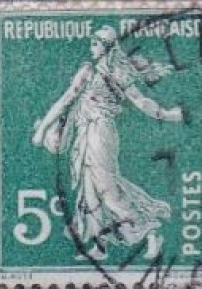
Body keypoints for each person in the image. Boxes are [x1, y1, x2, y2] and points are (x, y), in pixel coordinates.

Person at [31, 26, 183, 261]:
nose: (92, 47)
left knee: (107, 189)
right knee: (87, 191)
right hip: (83, 134)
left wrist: (165, 114)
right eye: (92, 42)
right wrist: (42, 129)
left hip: (102, 133)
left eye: (96, 43)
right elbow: (66, 99)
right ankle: (99, 246)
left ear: (107, 46)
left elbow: (140, 101)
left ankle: (151, 232)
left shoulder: (118, 74)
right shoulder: (86, 71)